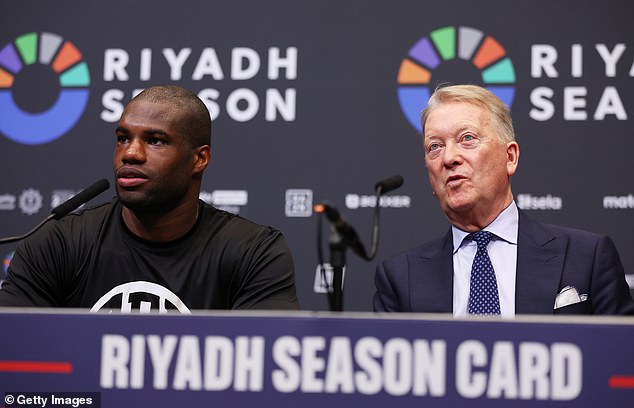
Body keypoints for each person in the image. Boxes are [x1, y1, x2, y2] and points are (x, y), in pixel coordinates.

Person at [0, 85, 299, 312]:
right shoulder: (57, 242)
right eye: (123, 138)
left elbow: (264, 373)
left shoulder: (254, 252)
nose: (130, 153)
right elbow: (16, 355)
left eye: (155, 141)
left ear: (200, 159)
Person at [374, 84, 634, 316]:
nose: (448, 158)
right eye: (435, 146)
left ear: (510, 158)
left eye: (467, 138)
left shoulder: (587, 257)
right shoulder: (400, 278)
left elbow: (619, 361)